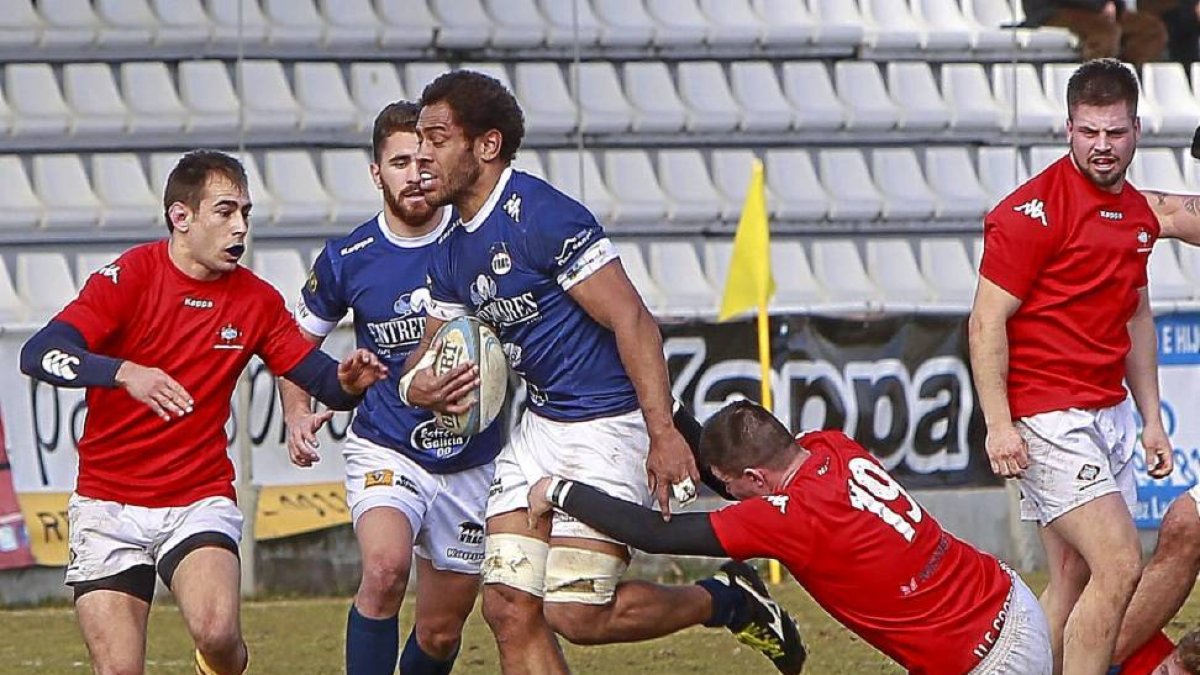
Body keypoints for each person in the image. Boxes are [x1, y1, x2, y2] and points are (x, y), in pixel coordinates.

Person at [400, 69, 806, 674]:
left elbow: (634, 321)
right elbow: (434, 346)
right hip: (541, 426)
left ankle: (725, 600)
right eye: (418, 141)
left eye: (436, 138)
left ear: (486, 145)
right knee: (509, 608)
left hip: (611, 423)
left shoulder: (542, 216)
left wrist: (663, 433)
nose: (421, 156)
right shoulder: (450, 244)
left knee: (576, 613)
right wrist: (417, 383)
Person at [18, 150, 388, 675]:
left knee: (218, 635)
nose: (240, 227)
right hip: (108, 504)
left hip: (197, 496)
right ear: (181, 217)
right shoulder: (130, 278)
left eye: (246, 213)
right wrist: (125, 372)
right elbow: (37, 354)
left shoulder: (256, 301)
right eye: (225, 212)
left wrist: (348, 383)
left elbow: (323, 379)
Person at [527, 400, 1053, 674]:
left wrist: (559, 490)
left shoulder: (789, 518)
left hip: (985, 661)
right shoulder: (829, 446)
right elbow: (734, 470)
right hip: (1010, 601)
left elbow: (652, 533)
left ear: (755, 481)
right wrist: (664, 411)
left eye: (734, 489)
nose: (729, 496)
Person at [276, 101, 505, 675]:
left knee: (440, 630)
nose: (416, 173)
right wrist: (298, 410)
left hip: (472, 459)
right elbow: (292, 345)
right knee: (384, 570)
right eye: (400, 161)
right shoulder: (349, 258)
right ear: (377, 172)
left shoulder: (478, 242)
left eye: (425, 160)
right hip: (386, 444)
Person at [969, 58, 1175, 675]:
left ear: (1136, 129)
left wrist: (1151, 419)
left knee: (1071, 577)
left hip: (1107, 410)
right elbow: (984, 322)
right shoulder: (1029, 212)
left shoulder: (1138, 216)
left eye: (1114, 132)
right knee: (1119, 563)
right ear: (1068, 129)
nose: (1103, 146)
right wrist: (999, 424)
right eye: (1090, 132)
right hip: (1047, 416)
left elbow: (1135, 318)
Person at [1020, 0, 1167, 66]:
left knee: (1151, 30)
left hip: (1098, 9)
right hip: (1054, 10)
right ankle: (1095, 86)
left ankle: (1125, 78)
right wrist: (1100, 5)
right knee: (1105, 33)